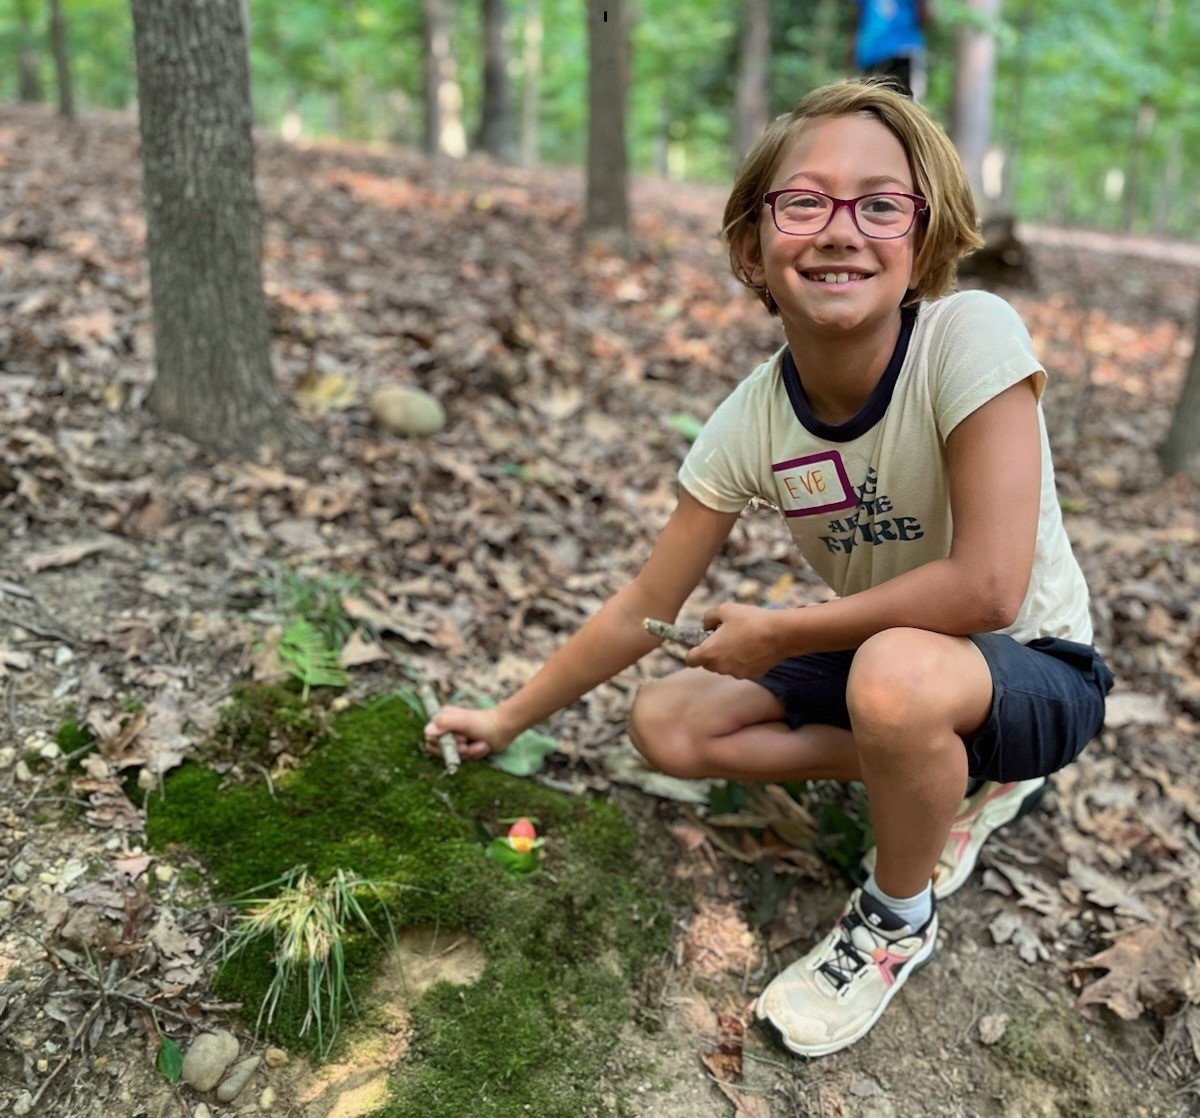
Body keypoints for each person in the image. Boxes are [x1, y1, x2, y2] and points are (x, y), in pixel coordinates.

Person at [425, 80, 1112, 1057]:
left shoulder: (970, 335)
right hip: (899, 664)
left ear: (923, 239)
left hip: (1033, 665)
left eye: (880, 204)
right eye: (805, 202)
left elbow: (989, 588)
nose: (841, 229)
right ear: (755, 245)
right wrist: (505, 715)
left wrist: (780, 632)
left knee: (894, 677)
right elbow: (644, 604)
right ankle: (947, 776)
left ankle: (894, 917)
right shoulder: (755, 417)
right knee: (665, 720)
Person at [852, 0, 929, 101]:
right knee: (904, 106)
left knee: (872, 105)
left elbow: (857, 17)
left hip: (875, 52)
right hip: (899, 50)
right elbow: (925, 16)